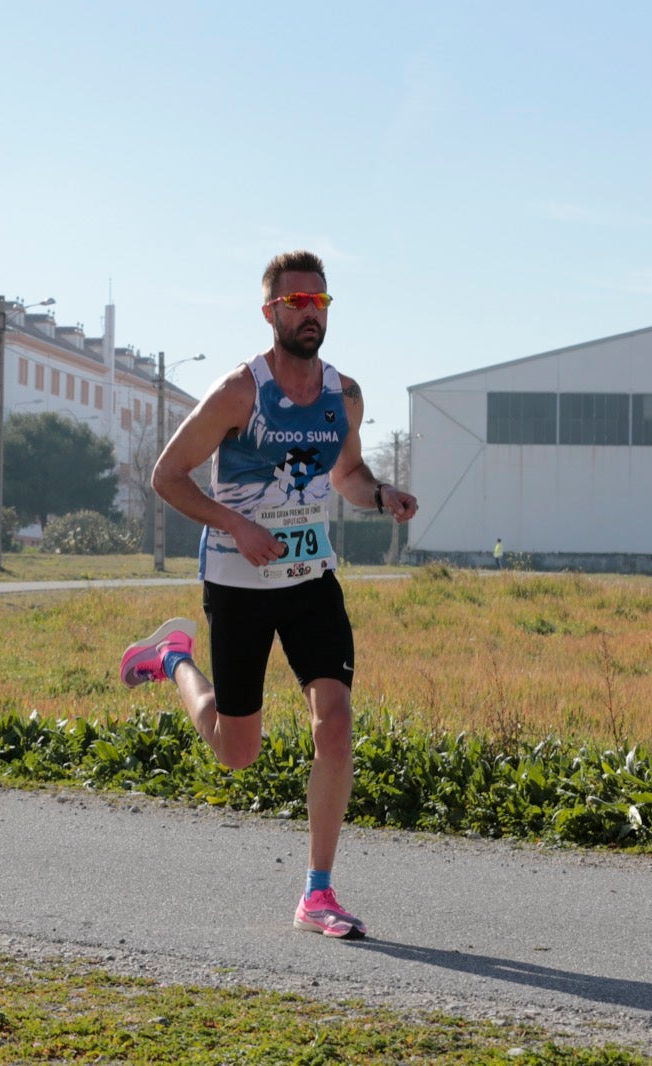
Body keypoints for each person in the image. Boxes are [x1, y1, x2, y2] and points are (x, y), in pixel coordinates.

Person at [119, 250, 417, 939]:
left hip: (311, 579)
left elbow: (346, 473)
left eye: (319, 302)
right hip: (238, 581)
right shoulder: (238, 392)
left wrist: (380, 496)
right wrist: (236, 525)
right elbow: (168, 476)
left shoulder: (346, 395)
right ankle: (171, 661)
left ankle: (317, 893)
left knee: (335, 721)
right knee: (236, 752)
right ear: (271, 312)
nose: (309, 312)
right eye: (295, 302)